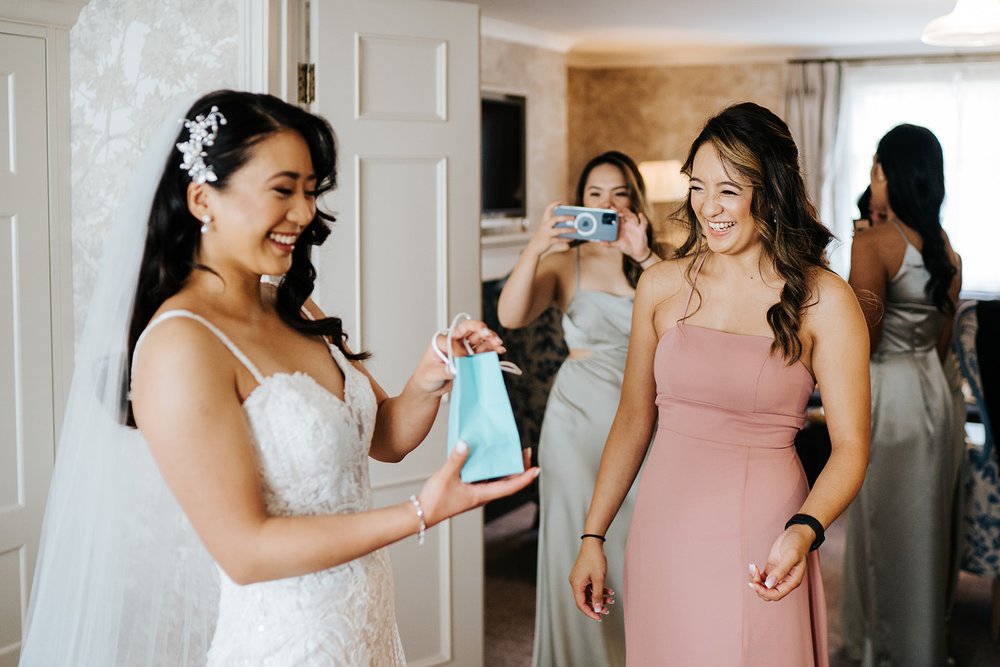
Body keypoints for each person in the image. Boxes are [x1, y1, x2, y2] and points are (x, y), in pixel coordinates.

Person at [19, 90, 538, 666]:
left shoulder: (295, 305)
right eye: (283, 190)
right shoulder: (181, 346)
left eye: (311, 191)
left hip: (364, 627)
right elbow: (245, 550)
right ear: (202, 199)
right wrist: (420, 511)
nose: (305, 213)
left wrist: (430, 375)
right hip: (286, 644)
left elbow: (384, 437)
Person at [569, 102, 871, 666]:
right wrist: (593, 536)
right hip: (663, 524)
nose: (709, 207)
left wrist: (805, 529)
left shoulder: (825, 300)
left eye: (728, 189)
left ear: (771, 190)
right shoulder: (659, 286)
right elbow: (634, 419)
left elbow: (852, 446)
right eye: (698, 186)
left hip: (766, 530)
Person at [497, 150, 663, 667]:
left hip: (647, 421)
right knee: (578, 542)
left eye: (618, 194)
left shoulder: (665, 259)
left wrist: (647, 257)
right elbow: (511, 314)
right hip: (575, 424)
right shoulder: (564, 263)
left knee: (643, 550)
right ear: (579, 201)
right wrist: (536, 246)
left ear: (635, 201)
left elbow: (694, 318)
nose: (606, 203)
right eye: (595, 194)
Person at [840, 123, 963, 666]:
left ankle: (884, 650)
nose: (873, 178)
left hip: (888, 392)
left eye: (875, 168)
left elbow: (856, 339)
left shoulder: (873, 243)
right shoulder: (948, 253)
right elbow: (941, 341)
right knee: (926, 523)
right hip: (934, 394)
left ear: (888, 175)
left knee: (884, 525)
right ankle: (923, 644)